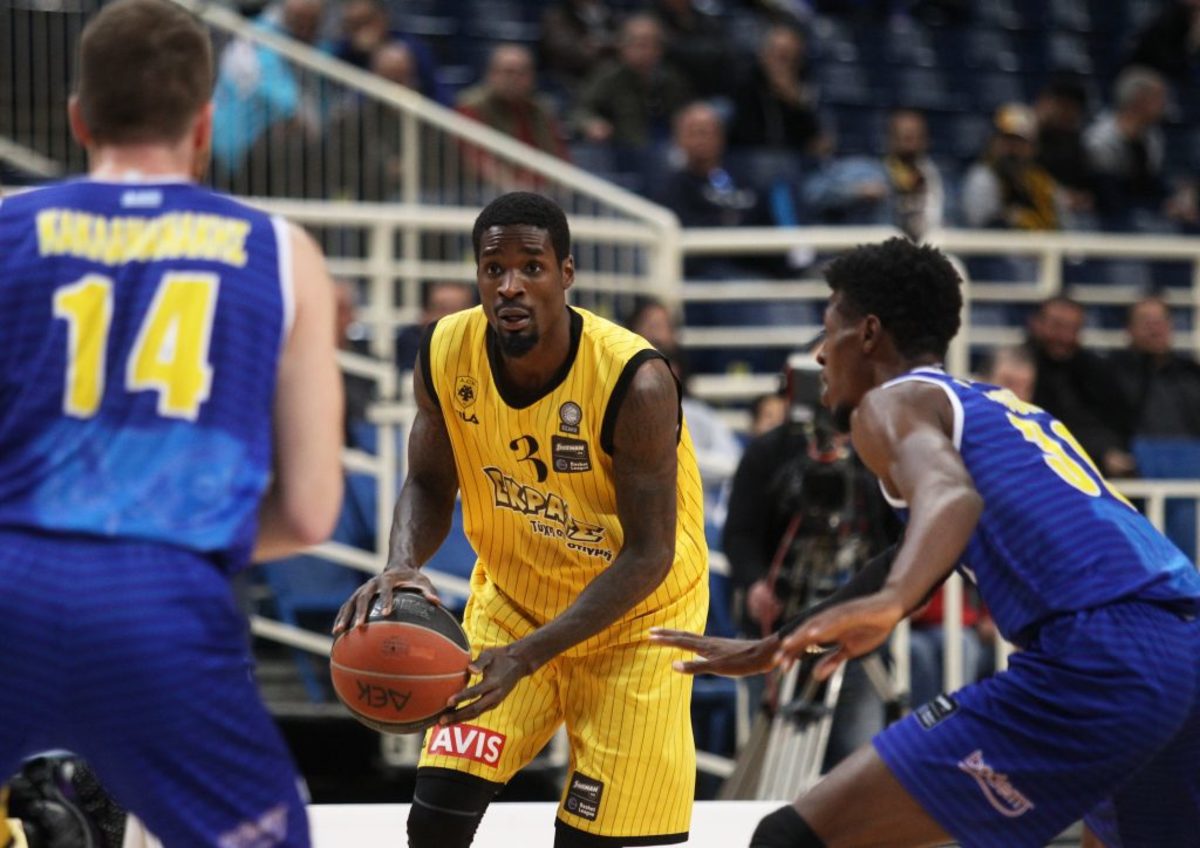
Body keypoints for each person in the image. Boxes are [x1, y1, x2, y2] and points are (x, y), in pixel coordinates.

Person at [652, 237, 1200, 848]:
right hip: (1182, 644)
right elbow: (919, 547)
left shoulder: (890, 403)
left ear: (867, 333)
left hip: (1099, 652)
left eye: (828, 331)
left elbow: (950, 498)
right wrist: (781, 642)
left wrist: (888, 605)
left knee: (791, 838)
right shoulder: (999, 406)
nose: (819, 354)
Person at [0, 1, 344, 845]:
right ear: (204, 127)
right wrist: (181, 538)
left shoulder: (7, 229)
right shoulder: (282, 252)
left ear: (79, 119)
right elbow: (310, 513)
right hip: (166, 598)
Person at [333, 192, 709, 848]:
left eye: (530, 267)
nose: (509, 285)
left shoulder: (637, 380)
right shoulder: (445, 350)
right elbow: (428, 481)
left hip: (637, 625)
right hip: (514, 606)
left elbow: (650, 554)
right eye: (493, 268)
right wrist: (400, 564)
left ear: (566, 273)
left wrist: (531, 656)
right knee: (435, 820)